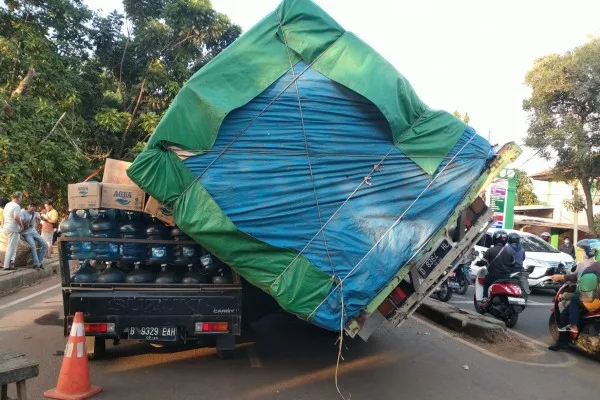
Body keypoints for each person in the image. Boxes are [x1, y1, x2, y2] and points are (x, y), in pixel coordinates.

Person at [549, 271, 600, 351]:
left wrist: (565, 295)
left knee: (565, 314)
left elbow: (576, 283)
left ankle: (563, 341)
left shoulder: (588, 270)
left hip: (593, 302)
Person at [476, 230, 516, 299]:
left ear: (494, 239)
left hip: (493, 276)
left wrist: (477, 263)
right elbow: (513, 264)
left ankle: (485, 298)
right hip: (506, 276)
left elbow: (483, 262)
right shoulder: (509, 251)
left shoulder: (490, 250)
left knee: (486, 283)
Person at [20, 202, 47, 269]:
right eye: (31, 206)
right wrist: (27, 225)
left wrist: (42, 217)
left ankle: (39, 262)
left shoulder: (35, 214)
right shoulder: (23, 212)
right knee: (33, 245)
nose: (32, 207)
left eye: (34, 206)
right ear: (27, 206)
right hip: (26, 233)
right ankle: (36, 263)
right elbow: (21, 224)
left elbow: (41, 218)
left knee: (45, 245)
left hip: (34, 232)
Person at [2, 192, 24, 270]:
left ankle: (11, 264)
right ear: (18, 197)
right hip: (13, 228)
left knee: (13, 246)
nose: (21, 199)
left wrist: (3, 225)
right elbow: (16, 217)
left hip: (6, 227)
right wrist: (21, 226)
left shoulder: (7, 205)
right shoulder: (16, 206)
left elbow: (4, 216)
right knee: (11, 247)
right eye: (21, 197)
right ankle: (6, 265)